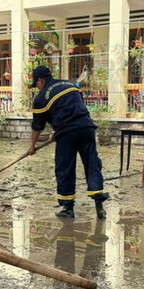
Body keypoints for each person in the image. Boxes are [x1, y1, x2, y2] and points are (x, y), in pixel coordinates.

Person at [27, 65, 108, 219]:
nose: (36, 89)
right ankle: (99, 206)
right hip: (87, 128)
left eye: (36, 85)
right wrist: (57, 132)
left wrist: (32, 146)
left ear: (41, 81)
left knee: (65, 168)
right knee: (92, 165)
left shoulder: (41, 98)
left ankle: (68, 209)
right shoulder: (70, 85)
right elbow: (74, 108)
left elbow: (37, 126)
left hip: (67, 134)